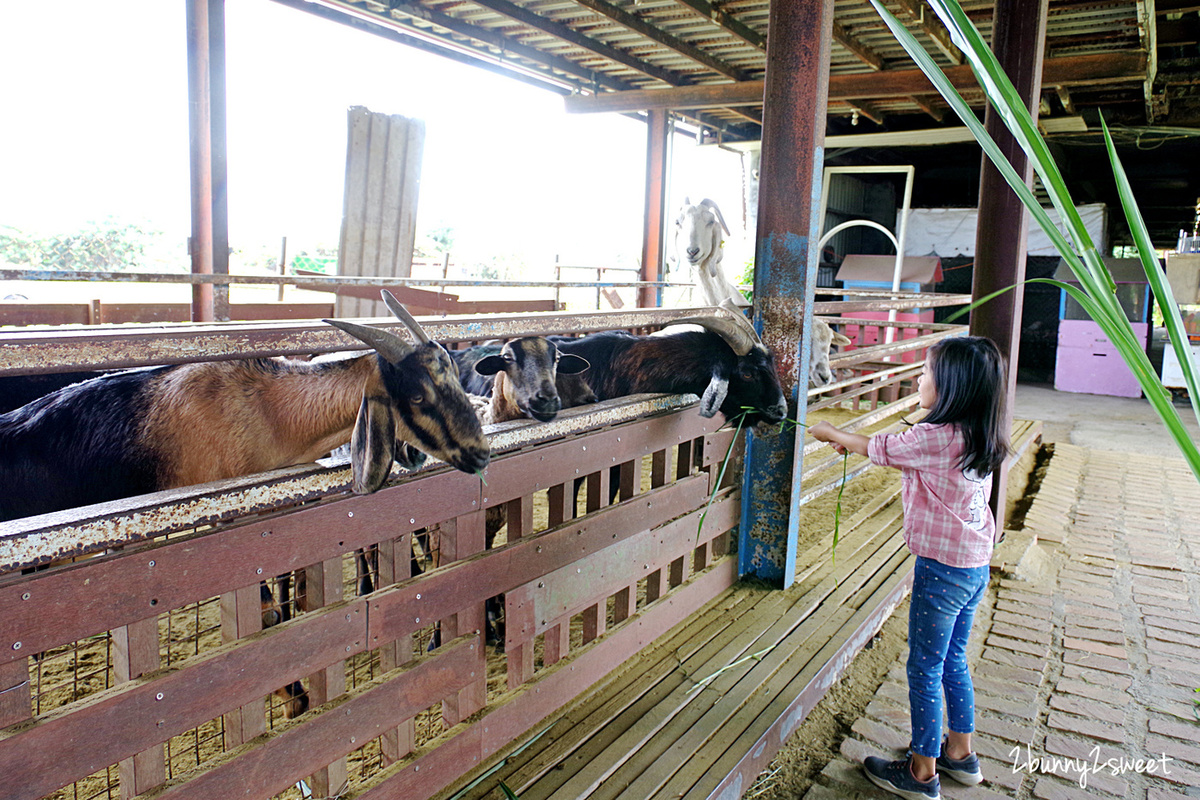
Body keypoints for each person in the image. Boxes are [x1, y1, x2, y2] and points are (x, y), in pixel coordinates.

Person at [810, 335, 1010, 800]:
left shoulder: (933, 436)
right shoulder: (980, 433)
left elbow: (884, 447)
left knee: (923, 667)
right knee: (953, 660)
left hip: (941, 570)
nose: (920, 378)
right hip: (974, 567)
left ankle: (921, 772)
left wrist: (833, 433)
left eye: (927, 374)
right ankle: (960, 754)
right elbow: (914, 462)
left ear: (952, 389)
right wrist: (855, 444)